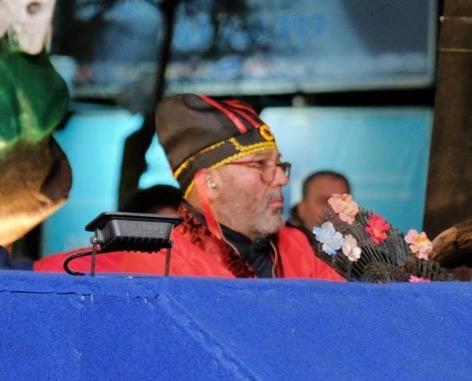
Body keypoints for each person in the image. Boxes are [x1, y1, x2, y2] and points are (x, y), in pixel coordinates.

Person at [34, 94, 345, 281]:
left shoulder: (296, 247)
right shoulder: (157, 263)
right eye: (260, 165)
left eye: (279, 165)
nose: (280, 178)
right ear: (210, 182)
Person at [286, 170, 351, 243]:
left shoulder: (358, 245)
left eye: (342, 202)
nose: (334, 210)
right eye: (324, 202)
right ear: (301, 209)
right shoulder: (280, 246)